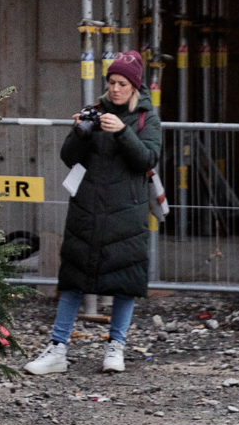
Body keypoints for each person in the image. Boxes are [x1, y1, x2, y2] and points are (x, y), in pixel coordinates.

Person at [24, 50, 161, 376]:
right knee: (73, 278)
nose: (115, 89)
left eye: (122, 83)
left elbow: (147, 159)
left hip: (127, 213)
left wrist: (122, 132)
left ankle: (116, 348)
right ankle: (58, 349)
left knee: (125, 280)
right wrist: (78, 132)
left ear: (134, 87)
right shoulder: (95, 112)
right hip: (88, 208)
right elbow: (69, 157)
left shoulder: (146, 119)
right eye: (111, 82)